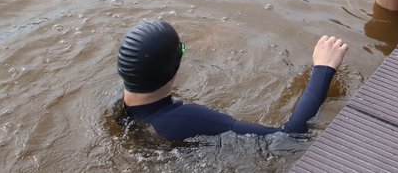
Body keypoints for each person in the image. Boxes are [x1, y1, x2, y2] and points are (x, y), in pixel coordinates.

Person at [117, 20, 348, 141]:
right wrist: (323, 69)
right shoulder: (185, 119)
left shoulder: (120, 106)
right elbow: (290, 137)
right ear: (175, 68)